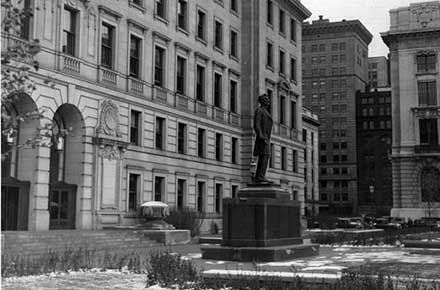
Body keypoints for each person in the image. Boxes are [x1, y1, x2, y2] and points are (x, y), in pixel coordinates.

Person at [253, 94, 273, 183]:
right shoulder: (259, 110)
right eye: (266, 100)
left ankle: (260, 175)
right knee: (264, 155)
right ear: (263, 101)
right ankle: (260, 176)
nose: (268, 101)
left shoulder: (265, 111)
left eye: (268, 99)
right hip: (263, 137)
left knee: (266, 156)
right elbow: (256, 124)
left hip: (266, 137)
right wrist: (260, 135)